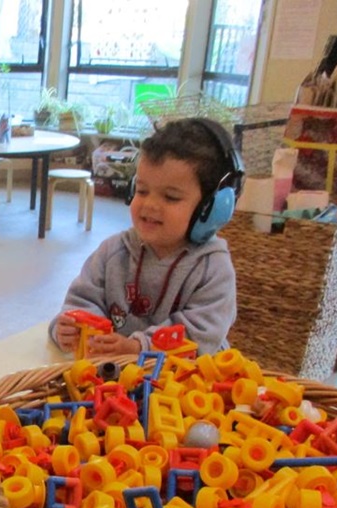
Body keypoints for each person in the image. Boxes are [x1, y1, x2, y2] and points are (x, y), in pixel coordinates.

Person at [50, 117, 243, 358]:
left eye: (171, 197)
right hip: (115, 377)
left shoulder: (212, 268)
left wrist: (139, 348)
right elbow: (82, 301)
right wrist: (70, 328)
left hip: (187, 382)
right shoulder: (112, 252)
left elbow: (200, 335)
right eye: (141, 191)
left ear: (211, 207)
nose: (149, 205)